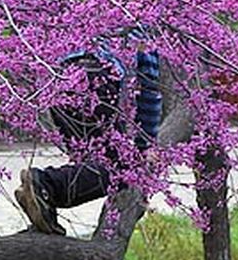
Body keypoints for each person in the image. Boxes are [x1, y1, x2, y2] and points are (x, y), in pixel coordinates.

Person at [16, 31, 162, 236]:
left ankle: (43, 206)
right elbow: (149, 92)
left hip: (59, 82)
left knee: (92, 164)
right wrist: (145, 145)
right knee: (122, 170)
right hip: (97, 78)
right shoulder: (142, 25)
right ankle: (45, 183)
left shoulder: (95, 7)